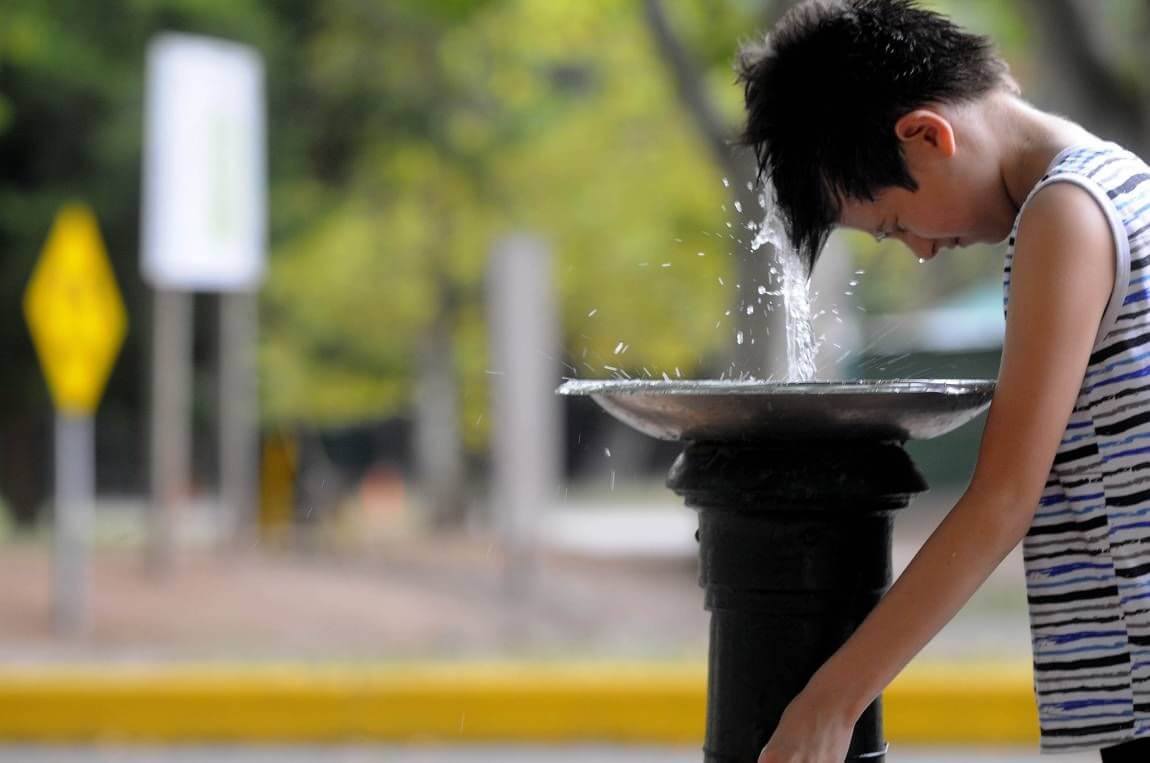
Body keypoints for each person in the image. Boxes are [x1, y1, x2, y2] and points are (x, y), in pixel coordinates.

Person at [735, 1, 1150, 761]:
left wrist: (833, 699)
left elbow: (1002, 499)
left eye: (894, 223)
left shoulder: (1068, 210)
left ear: (926, 134)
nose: (920, 251)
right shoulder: (1112, 188)